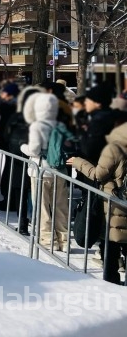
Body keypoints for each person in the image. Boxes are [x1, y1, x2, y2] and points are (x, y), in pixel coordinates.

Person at [68, 108, 127, 284]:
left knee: (111, 248)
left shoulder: (114, 148)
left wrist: (79, 162)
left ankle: (112, 286)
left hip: (114, 205)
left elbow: (98, 175)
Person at [21, 92, 69, 251]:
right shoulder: (60, 124)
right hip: (60, 170)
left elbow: (34, 150)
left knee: (42, 207)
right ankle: (64, 240)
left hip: (41, 170)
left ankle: (48, 239)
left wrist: (23, 148)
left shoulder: (37, 126)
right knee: (60, 206)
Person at [1, 85, 45, 236]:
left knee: (20, 191)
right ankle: (39, 223)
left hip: (17, 159)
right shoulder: (41, 119)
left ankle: (22, 223)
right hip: (36, 159)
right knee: (37, 192)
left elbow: (6, 136)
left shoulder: (15, 117)